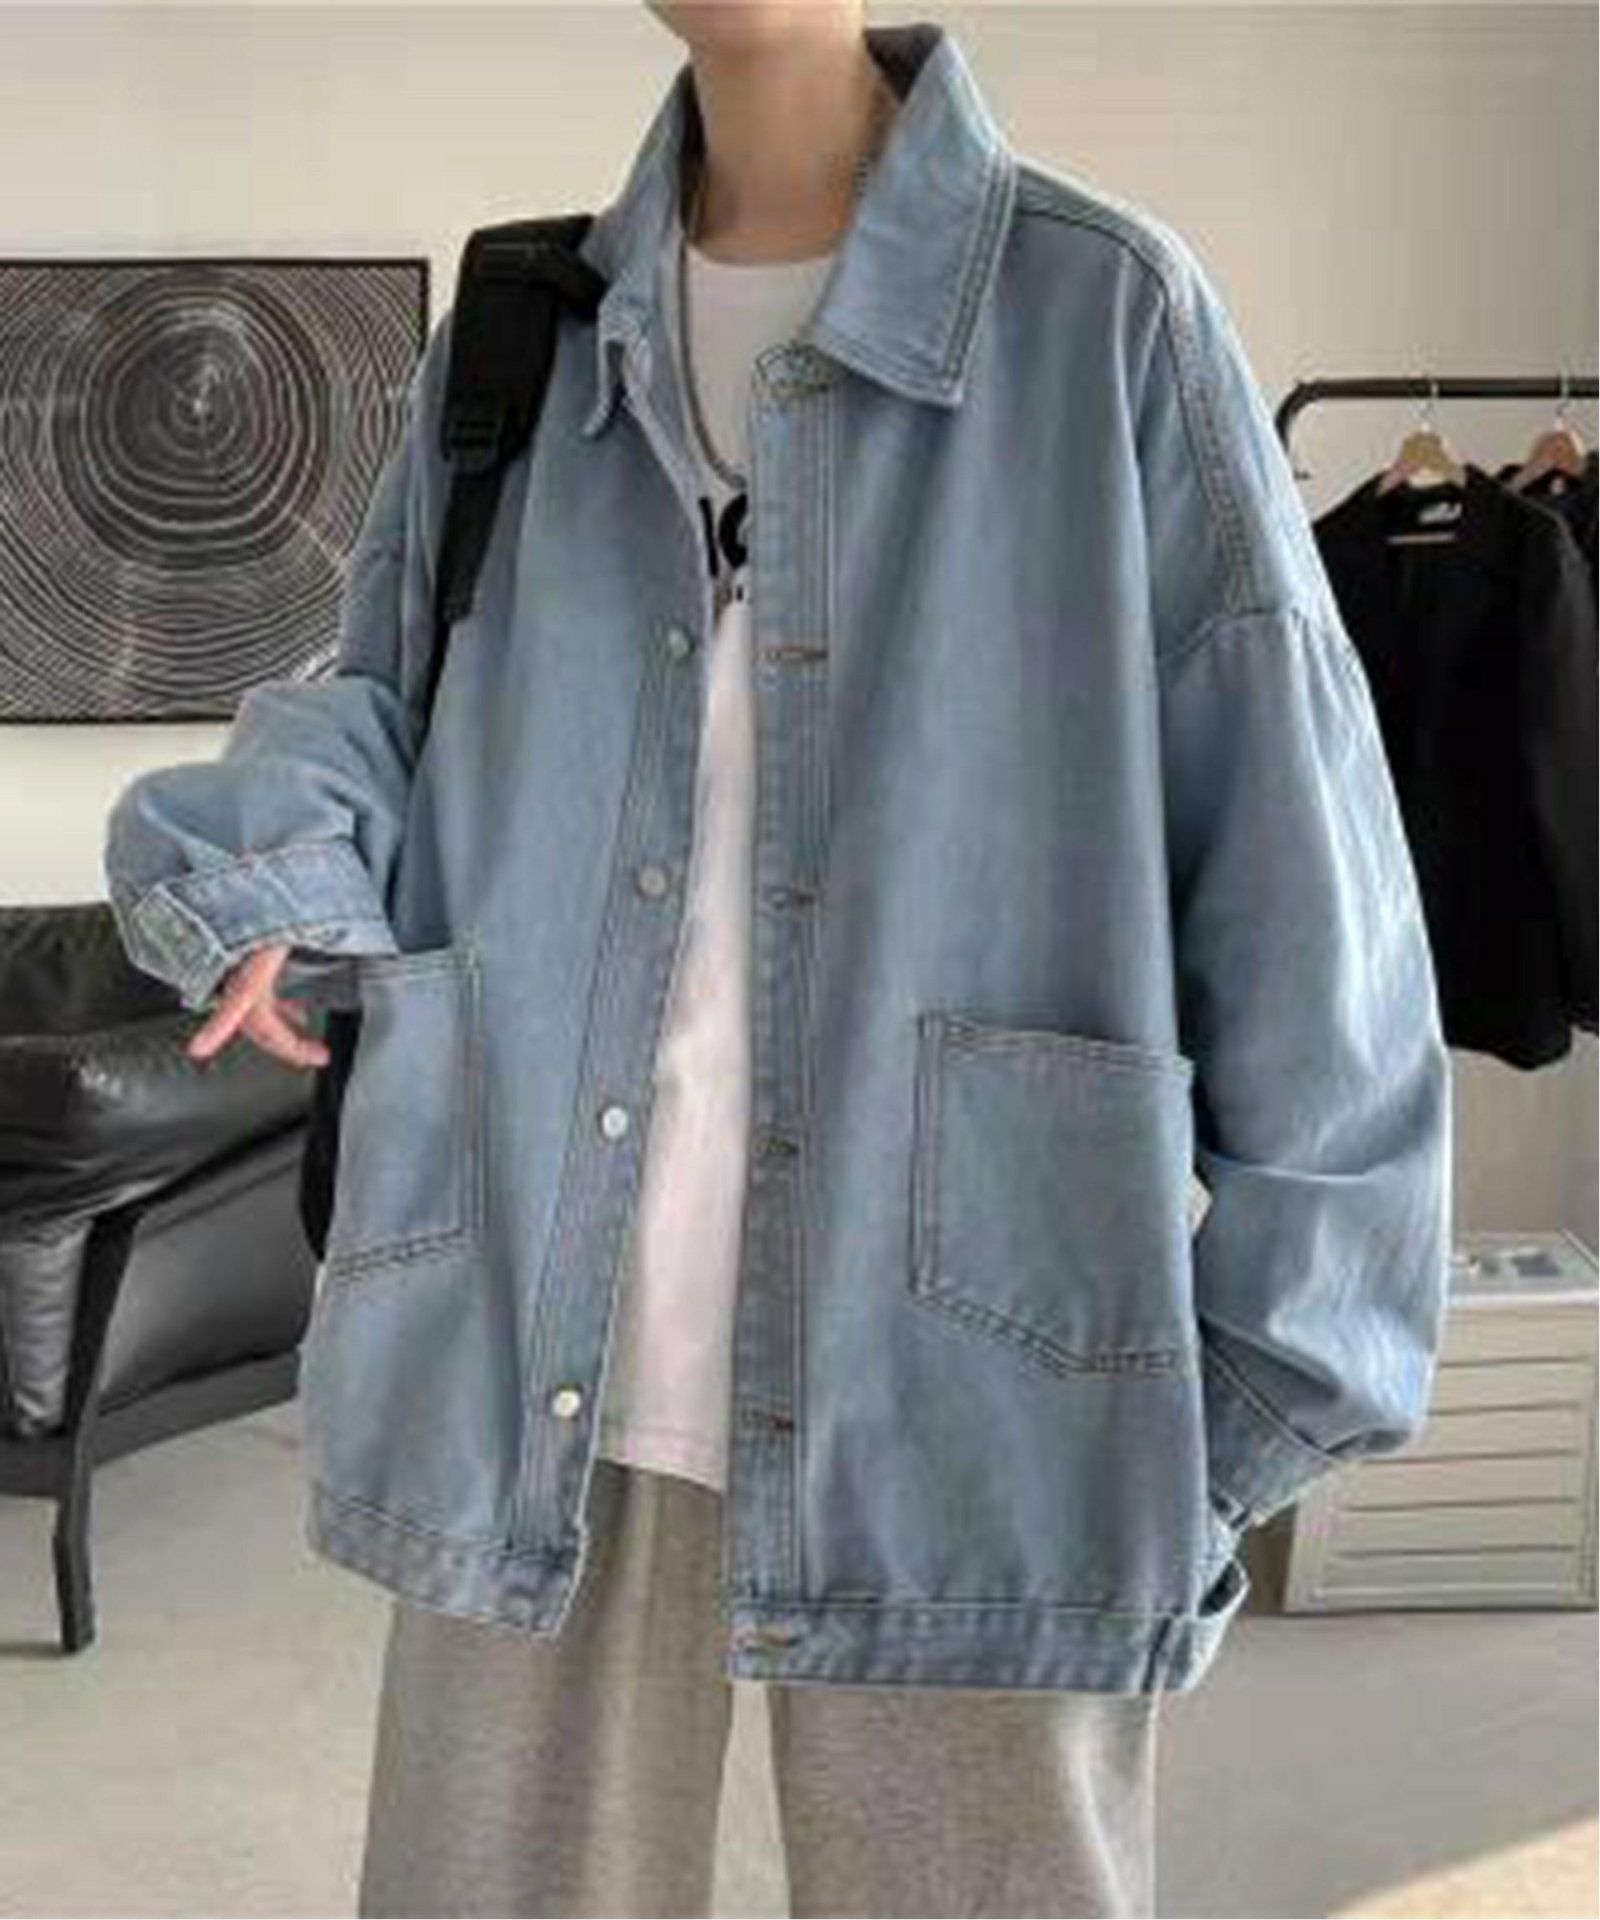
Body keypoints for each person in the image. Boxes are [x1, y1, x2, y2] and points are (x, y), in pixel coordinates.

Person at [102, 7, 1453, 1918]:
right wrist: (275, 871)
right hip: (536, 1327)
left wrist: (1237, 1406)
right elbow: (378, 699)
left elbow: (1312, 894)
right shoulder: (523, 331)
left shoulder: (1105, 319)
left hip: (984, 1358)